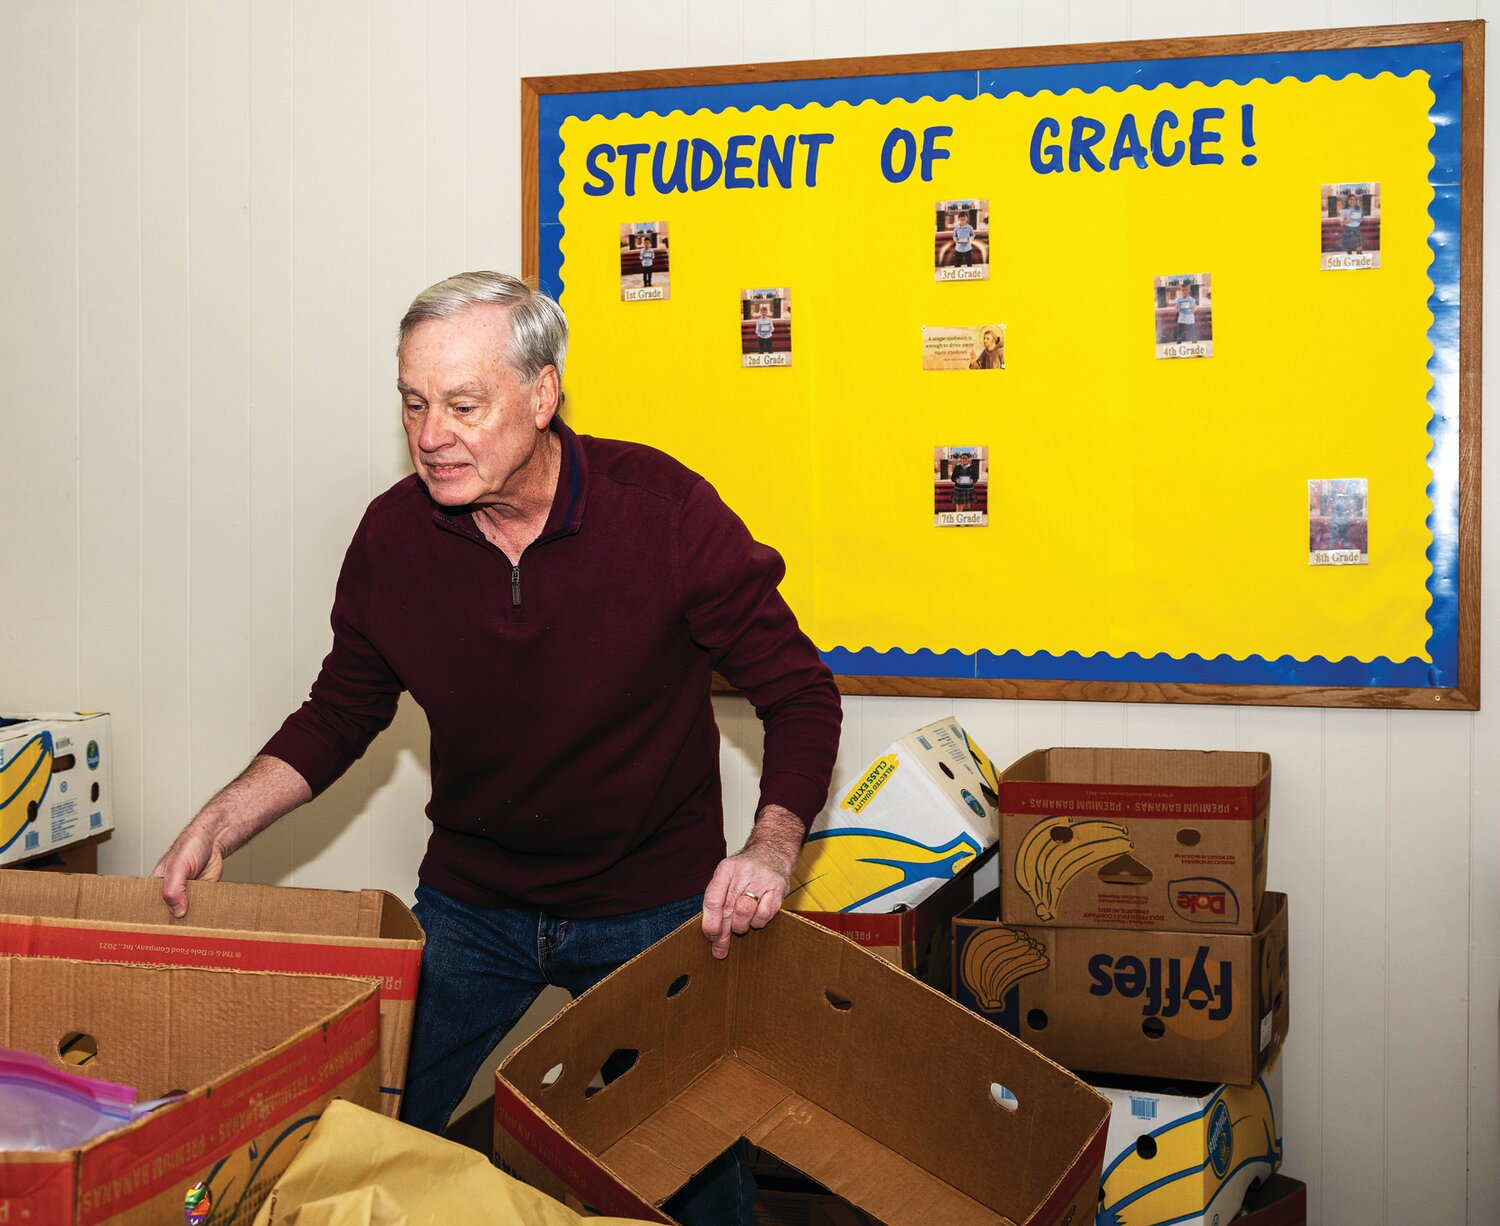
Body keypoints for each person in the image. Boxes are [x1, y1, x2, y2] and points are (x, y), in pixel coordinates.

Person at [153, 271, 842, 1226]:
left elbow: (799, 692)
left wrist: (771, 845)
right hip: (472, 908)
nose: (431, 435)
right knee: (360, 1139)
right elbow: (341, 710)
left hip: (652, 911)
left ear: (544, 394)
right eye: (413, 403)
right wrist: (223, 815)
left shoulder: (666, 513)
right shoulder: (394, 539)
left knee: (694, 1179)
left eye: (463, 405)